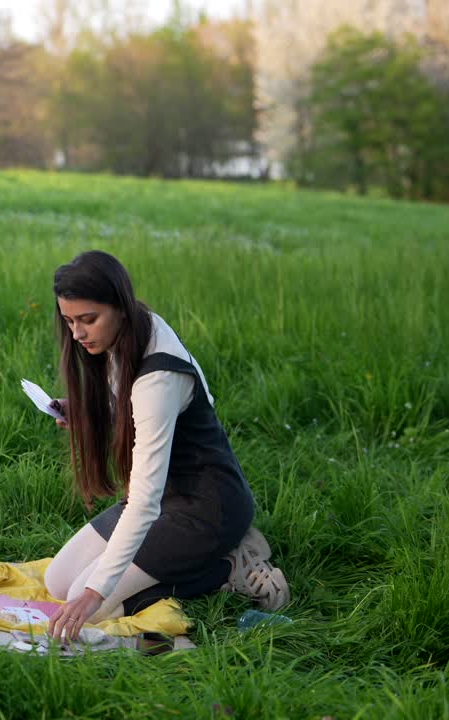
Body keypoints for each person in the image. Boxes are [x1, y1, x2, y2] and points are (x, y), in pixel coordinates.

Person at [41, 250, 289, 646]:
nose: (77, 334)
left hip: (206, 508)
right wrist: (88, 413)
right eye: (69, 321)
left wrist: (93, 595)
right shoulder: (134, 330)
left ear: (119, 306)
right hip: (166, 496)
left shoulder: (159, 376)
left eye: (88, 320)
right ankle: (200, 560)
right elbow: (127, 402)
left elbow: (143, 501)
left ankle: (231, 566)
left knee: (88, 601)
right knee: (57, 580)